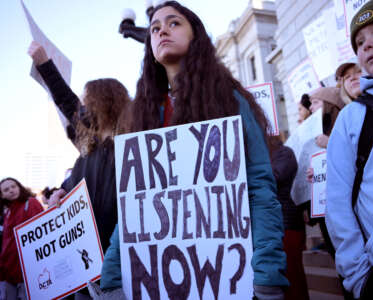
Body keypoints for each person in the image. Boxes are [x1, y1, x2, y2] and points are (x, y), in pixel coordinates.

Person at [97, 1, 288, 299]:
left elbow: (259, 189)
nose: (162, 31)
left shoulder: (229, 101)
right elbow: (136, 206)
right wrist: (112, 275)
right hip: (160, 281)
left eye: (174, 23)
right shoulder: (144, 115)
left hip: (225, 278)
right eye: (155, 28)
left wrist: (267, 273)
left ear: (195, 35)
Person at [28, 42, 131, 299]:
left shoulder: (134, 142)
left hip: (123, 262)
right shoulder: (87, 146)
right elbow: (64, 99)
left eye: (87, 101)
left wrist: (44, 64)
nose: (81, 108)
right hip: (86, 264)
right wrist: (61, 192)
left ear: (105, 101)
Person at [325, 0, 373, 299]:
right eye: (359, 41)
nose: (367, 44)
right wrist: (359, 277)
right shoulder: (353, 118)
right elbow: (337, 204)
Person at [291, 87, 344, 257]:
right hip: (325, 208)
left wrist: (331, 143)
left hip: (346, 205)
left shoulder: (345, 123)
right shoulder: (315, 132)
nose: (311, 108)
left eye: (315, 103)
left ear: (330, 104)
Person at [269, 136, 309, 300]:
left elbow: (273, 178)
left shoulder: (284, 153)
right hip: (272, 225)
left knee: (292, 277)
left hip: (287, 224)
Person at [0, 178, 43, 300]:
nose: (11, 191)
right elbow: (6, 244)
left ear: (19, 187)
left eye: (13, 186)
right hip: (9, 272)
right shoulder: (8, 212)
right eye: (6, 189)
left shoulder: (31, 203)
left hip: (27, 273)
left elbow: (40, 235)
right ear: (2, 195)